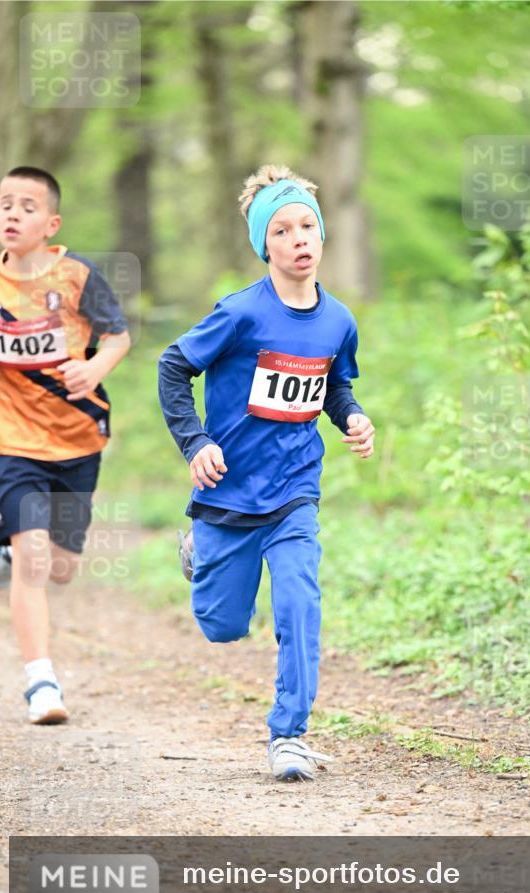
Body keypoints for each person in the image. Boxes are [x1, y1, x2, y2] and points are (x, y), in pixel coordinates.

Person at [158, 164, 374, 781]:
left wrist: (353, 417)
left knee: (300, 603)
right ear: (264, 245)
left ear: (322, 233)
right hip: (227, 490)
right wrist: (195, 442)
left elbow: (335, 385)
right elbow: (172, 367)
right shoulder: (239, 315)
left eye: (307, 226)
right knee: (222, 625)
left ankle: (290, 735)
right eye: (282, 230)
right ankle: (200, 553)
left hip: (294, 490)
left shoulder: (338, 321)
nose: (298, 238)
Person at [0, 166, 130, 723]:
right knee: (33, 557)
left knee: (62, 567)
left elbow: (117, 337)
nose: (13, 214)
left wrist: (94, 368)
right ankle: (41, 683)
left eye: (27, 207)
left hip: (77, 438)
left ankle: (3, 549)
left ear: (51, 224)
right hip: (11, 440)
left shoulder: (78, 276)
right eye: (5, 204)